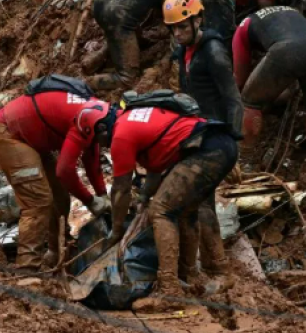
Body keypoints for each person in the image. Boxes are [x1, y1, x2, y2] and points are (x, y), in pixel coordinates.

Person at [93, 96, 238, 310]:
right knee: (188, 209)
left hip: (205, 150)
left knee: (161, 210)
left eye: (97, 141)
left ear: (102, 129)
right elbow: (155, 169)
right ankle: (199, 274)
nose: (100, 146)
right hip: (220, 143)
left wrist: (116, 230)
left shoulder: (120, 136)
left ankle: (169, 291)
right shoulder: (132, 119)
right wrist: (143, 198)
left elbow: (121, 188)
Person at [165, 0, 243, 286]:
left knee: (202, 202)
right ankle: (205, 267)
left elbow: (233, 99)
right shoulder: (184, 52)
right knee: (198, 201)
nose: (178, 33)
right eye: (173, 28)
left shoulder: (213, 52)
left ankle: (218, 270)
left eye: (183, 27)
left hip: (216, 138)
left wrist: (233, 144)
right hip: (197, 136)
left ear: (198, 20)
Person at [0, 89, 112, 271]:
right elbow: (65, 170)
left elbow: (91, 158)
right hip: (7, 133)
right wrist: (90, 201)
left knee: (60, 194)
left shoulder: (97, 115)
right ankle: (27, 268)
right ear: (103, 129)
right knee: (38, 201)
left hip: (32, 137)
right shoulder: (85, 119)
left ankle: (58, 251)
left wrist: (103, 195)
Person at [233, 6, 306, 161]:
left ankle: (244, 161)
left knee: (249, 102)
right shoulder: (290, 12)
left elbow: (239, 78)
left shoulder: (242, 28)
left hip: (285, 50)